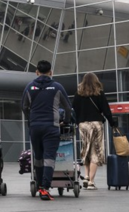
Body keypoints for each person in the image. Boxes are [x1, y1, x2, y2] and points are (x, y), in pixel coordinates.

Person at [21, 60, 72, 201]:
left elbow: (24, 107)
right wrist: (66, 122)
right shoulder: (57, 87)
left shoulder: (29, 87)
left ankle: (38, 185)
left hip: (35, 127)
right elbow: (68, 108)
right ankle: (44, 188)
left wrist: (30, 121)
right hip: (51, 127)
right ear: (51, 72)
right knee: (49, 157)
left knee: (38, 156)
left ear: (37, 72)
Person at [72, 72, 117, 191]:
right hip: (96, 124)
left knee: (86, 150)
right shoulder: (99, 93)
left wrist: (77, 122)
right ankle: (91, 181)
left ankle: (86, 176)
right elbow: (106, 110)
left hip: (83, 125)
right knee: (95, 152)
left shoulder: (78, 94)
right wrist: (113, 123)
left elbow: (74, 110)